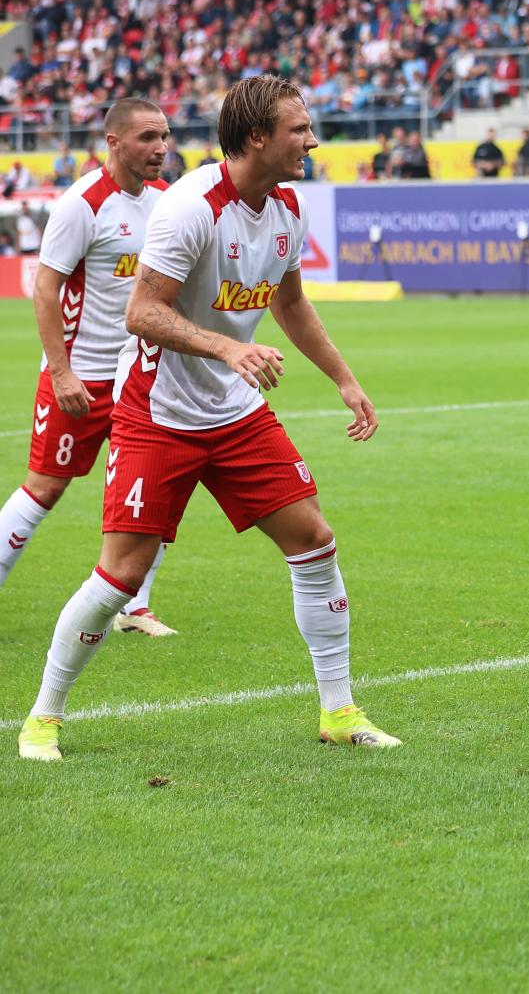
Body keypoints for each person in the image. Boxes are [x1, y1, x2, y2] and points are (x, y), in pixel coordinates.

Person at [17, 76, 400, 761]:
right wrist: (228, 345)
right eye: (299, 129)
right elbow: (142, 313)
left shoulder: (286, 207)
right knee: (120, 579)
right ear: (257, 137)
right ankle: (43, 718)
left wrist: (345, 380)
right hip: (157, 413)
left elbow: (290, 305)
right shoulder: (192, 206)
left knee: (313, 539)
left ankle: (339, 711)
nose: (311, 140)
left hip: (236, 413)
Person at [0, 99, 176, 635]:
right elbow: (45, 287)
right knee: (44, 489)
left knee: (153, 488)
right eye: (147, 137)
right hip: (80, 377)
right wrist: (61, 372)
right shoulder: (83, 204)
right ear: (115, 142)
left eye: (164, 136)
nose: (161, 148)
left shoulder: (167, 203)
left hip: (139, 380)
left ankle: (133, 605)